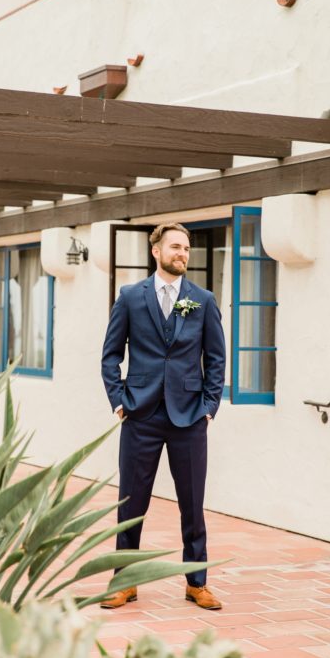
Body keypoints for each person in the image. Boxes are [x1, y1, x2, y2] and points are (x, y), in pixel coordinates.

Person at [100, 222, 226, 610]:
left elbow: (217, 358)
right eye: (175, 247)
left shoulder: (202, 299)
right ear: (156, 251)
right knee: (131, 502)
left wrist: (208, 407)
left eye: (186, 248)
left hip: (189, 417)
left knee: (192, 504)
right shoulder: (130, 297)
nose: (182, 254)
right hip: (141, 415)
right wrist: (119, 399)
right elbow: (110, 356)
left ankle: (196, 583)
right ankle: (125, 581)